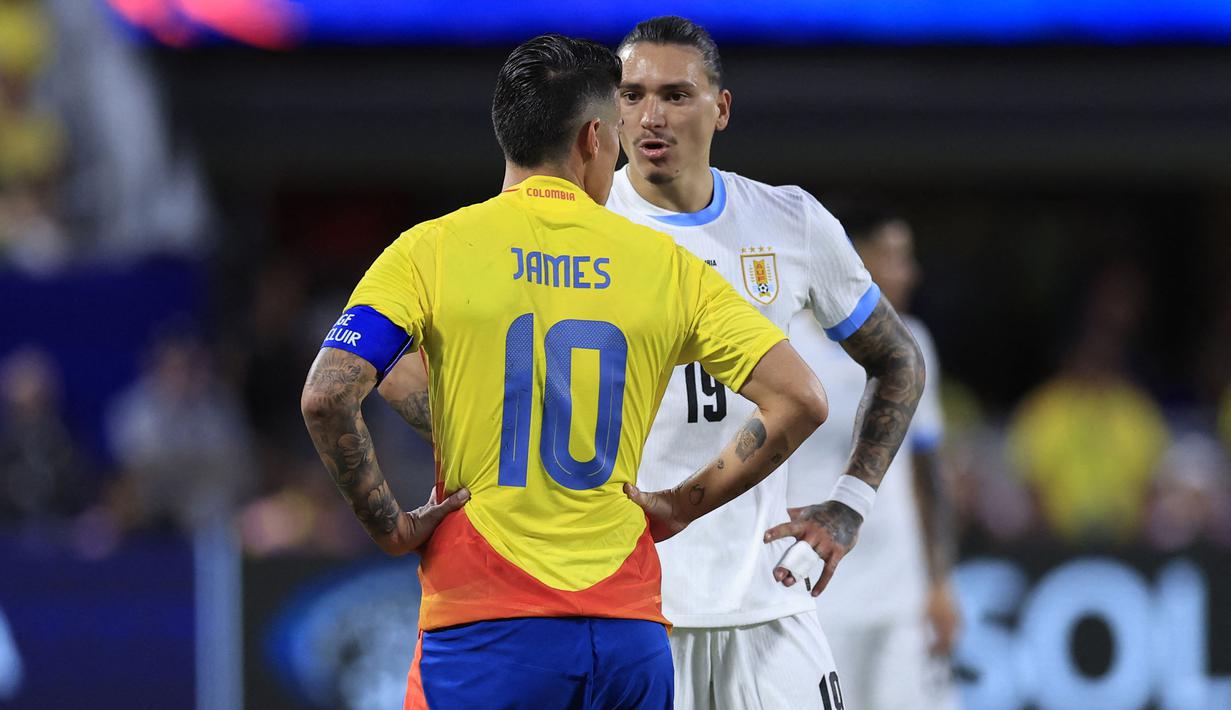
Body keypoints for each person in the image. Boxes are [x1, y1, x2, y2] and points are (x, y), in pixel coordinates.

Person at [300, 34, 830, 710]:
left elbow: (327, 395)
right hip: (628, 634)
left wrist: (391, 526)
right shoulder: (664, 265)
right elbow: (800, 398)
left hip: (486, 627)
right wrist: (679, 506)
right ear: (591, 138)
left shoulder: (430, 251)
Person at [606, 17, 927, 709]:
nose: (649, 116)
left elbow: (897, 359)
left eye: (674, 94)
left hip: (768, 601)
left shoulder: (787, 222)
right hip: (628, 605)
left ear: (719, 109)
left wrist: (849, 503)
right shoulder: (576, 228)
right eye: (630, 95)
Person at [786, 212, 961, 710]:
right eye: (894, 256)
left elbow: (929, 475)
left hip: (901, 594)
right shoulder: (789, 346)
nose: (909, 273)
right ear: (854, 260)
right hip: (818, 592)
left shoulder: (914, 344)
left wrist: (941, 582)